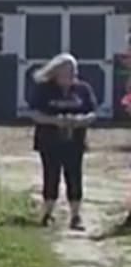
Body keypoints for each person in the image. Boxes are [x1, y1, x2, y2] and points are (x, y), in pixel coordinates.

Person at [27, 52, 96, 229]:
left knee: (74, 176)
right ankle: (47, 213)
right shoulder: (44, 89)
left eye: (73, 71)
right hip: (49, 140)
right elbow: (34, 113)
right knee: (51, 175)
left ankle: (75, 216)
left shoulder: (83, 89)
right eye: (67, 71)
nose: (71, 75)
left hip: (75, 140)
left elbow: (92, 112)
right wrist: (54, 120)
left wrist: (80, 120)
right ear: (56, 72)